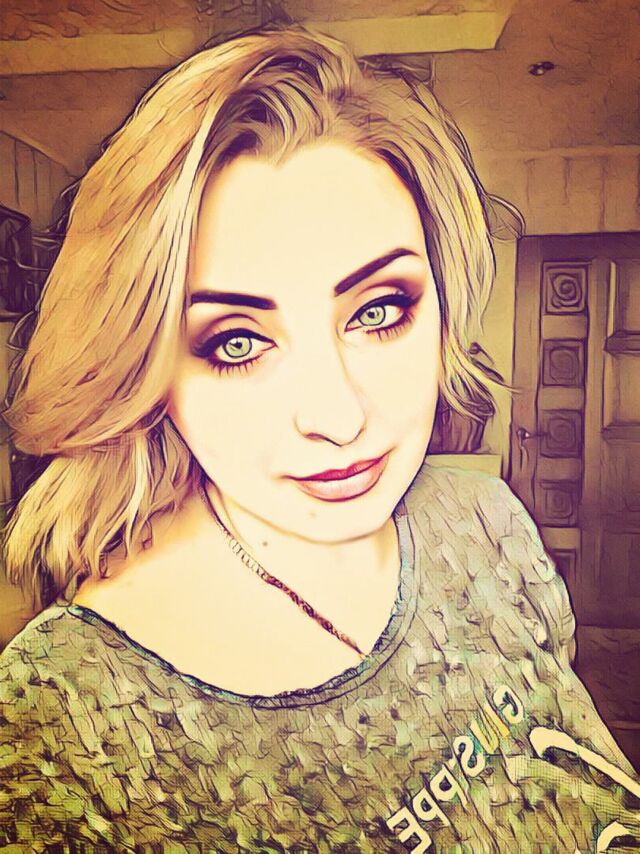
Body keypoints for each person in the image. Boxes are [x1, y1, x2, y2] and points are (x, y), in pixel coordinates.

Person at [0, 19, 638, 853]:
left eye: (379, 311)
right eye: (237, 343)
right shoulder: (56, 729)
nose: (338, 417)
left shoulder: (485, 520)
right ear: (143, 369)